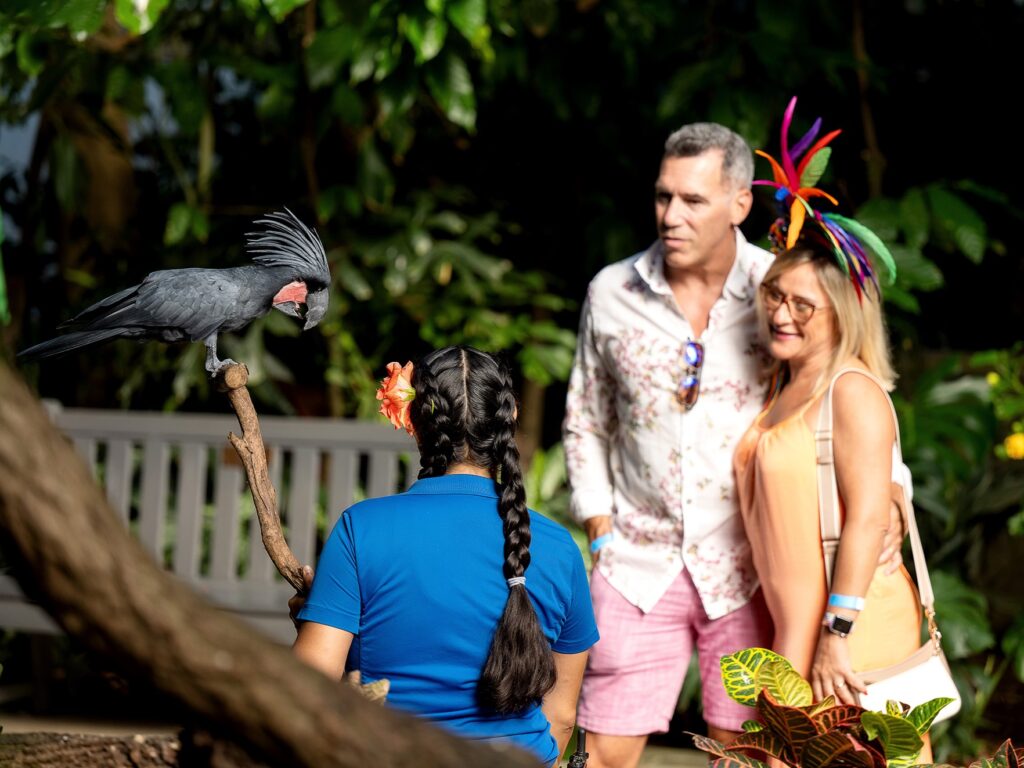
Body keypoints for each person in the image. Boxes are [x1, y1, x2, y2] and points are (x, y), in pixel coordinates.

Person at [562, 120, 905, 768]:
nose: (671, 215)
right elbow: (586, 419)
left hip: (753, 573)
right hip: (637, 561)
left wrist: (889, 494)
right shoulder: (611, 293)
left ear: (740, 204)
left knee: (748, 753)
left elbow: (846, 391)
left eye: (693, 200)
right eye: (664, 196)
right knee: (603, 750)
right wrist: (602, 530)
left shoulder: (781, 287)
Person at [732, 102, 932, 759]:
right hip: (795, 633)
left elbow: (871, 512)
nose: (780, 315)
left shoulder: (852, 391)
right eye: (774, 297)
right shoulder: (785, 388)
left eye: (801, 304)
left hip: (850, 633)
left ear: (840, 312)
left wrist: (836, 633)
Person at [293, 346, 599, 767]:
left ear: (415, 423)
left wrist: (311, 619)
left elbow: (308, 686)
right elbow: (561, 718)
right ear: (508, 420)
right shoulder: (559, 546)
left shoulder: (362, 528)